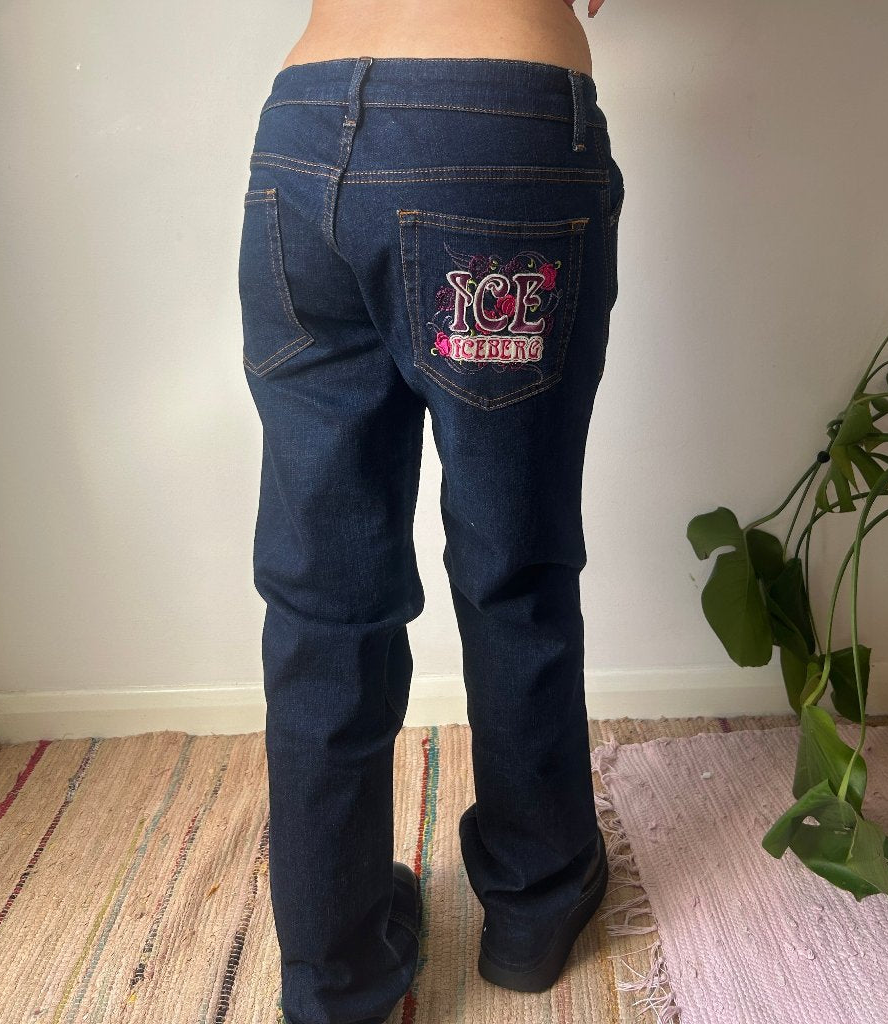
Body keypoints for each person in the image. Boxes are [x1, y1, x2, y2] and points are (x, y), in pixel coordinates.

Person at [237, 2, 623, 1021]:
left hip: (303, 133)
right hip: (495, 125)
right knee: (512, 561)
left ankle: (335, 974)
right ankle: (535, 901)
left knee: (321, 597)